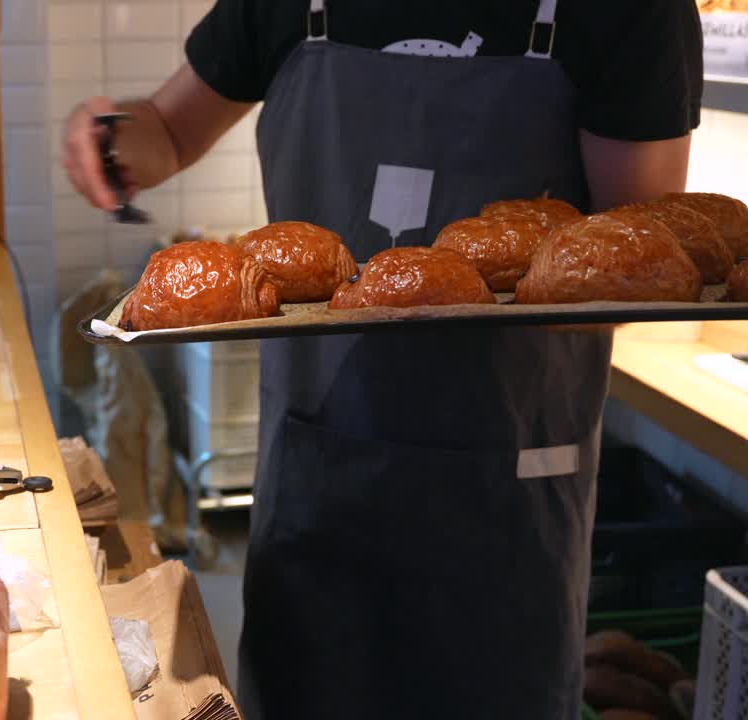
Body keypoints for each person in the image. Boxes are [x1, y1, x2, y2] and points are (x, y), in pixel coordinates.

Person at [62, 1, 704, 718]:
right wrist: (115, 138)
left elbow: (642, 258)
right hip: (320, 459)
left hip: (509, 484)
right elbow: (170, 129)